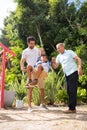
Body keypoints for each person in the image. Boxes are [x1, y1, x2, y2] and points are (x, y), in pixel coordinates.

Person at [51, 43, 83, 113]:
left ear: (62, 47)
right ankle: (72, 108)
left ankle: (72, 108)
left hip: (73, 72)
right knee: (68, 91)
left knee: (72, 90)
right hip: (67, 75)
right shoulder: (59, 56)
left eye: (59, 48)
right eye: (57, 48)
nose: (58, 49)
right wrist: (53, 62)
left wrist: (79, 67)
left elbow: (78, 59)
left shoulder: (70, 52)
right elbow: (55, 67)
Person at [20, 36, 48, 112]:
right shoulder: (25, 51)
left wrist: (42, 52)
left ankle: (42, 104)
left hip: (38, 71)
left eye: (34, 43)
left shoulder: (37, 50)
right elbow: (22, 61)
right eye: (31, 43)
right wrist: (22, 67)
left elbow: (43, 58)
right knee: (30, 89)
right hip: (31, 71)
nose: (33, 45)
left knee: (41, 89)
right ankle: (29, 107)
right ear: (28, 43)